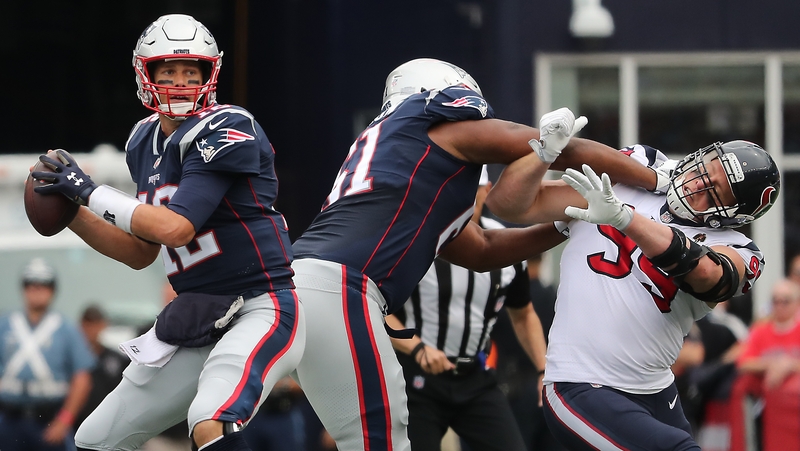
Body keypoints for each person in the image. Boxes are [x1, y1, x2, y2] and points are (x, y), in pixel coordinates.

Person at [289, 58, 664, 450]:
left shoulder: (406, 171)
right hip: (349, 296)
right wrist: (656, 179)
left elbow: (483, 251)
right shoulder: (437, 128)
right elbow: (560, 150)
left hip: (311, 286)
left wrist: (563, 224)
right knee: (383, 435)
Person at [30, 14, 302, 451]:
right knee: (94, 439)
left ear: (209, 74)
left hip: (259, 306)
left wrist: (88, 190)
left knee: (210, 420)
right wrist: (73, 212)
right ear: (146, 73)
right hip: (198, 315)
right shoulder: (142, 140)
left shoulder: (229, 126)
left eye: (190, 71)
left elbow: (177, 228)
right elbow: (141, 252)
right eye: (169, 71)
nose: (179, 81)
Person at [485, 136, 781, 450]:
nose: (698, 183)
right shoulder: (643, 168)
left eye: (715, 191)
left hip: (657, 391)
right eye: (708, 168)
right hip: (582, 382)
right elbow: (508, 204)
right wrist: (543, 152)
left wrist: (626, 218)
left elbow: (707, 273)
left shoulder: (739, 248)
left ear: (732, 216)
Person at [384, 165, 554, 451]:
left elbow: (523, 313)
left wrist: (543, 371)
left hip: (475, 376)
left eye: (470, 191)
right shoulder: (415, 239)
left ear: (486, 191)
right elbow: (378, 310)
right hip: (417, 379)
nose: (461, 199)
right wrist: (418, 349)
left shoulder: (508, 244)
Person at [0, 258, 95, 451]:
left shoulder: (67, 329)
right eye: (30, 284)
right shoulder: (5, 325)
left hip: (50, 421)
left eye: (43, 285)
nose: (36, 289)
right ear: (23, 288)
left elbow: (82, 379)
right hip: (8, 420)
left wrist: (65, 419)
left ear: (53, 290)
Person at [492, 254, 565, 451]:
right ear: (542, 259)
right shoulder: (555, 296)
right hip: (550, 386)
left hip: (511, 384)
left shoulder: (507, 301)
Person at [75, 305, 128, 430]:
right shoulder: (71, 358)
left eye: (96, 324)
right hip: (76, 422)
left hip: (108, 424)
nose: (92, 329)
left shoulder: (116, 359)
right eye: (88, 324)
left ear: (104, 325)